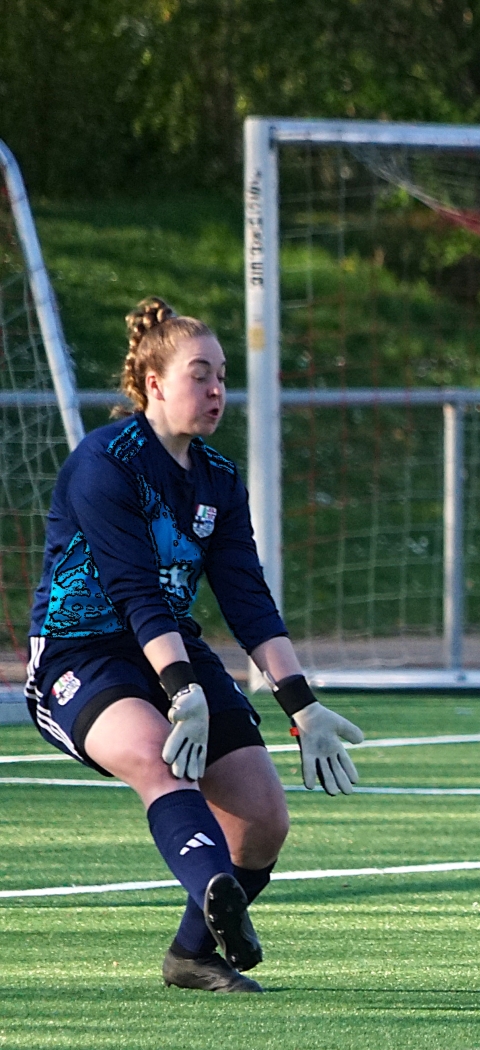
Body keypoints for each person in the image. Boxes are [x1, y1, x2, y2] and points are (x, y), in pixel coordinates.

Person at [25, 298, 364, 993]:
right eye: (200, 375)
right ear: (153, 384)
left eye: (223, 376)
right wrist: (184, 692)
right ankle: (215, 888)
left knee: (263, 819)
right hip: (81, 652)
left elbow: (246, 598)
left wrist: (302, 706)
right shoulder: (105, 462)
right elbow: (135, 590)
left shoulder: (219, 478)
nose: (216, 391)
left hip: (169, 647)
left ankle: (193, 953)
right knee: (160, 759)